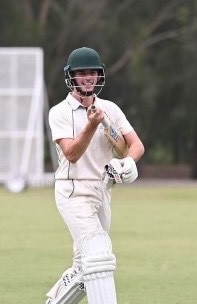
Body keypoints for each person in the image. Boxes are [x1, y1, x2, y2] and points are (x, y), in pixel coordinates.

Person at [45, 47, 145, 304]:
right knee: (99, 255)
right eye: (82, 73)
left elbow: (134, 146)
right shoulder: (59, 112)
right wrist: (92, 124)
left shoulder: (109, 108)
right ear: (72, 78)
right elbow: (72, 154)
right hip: (72, 190)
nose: (88, 78)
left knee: (84, 265)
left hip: (102, 190)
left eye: (93, 72)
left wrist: (127, 163)